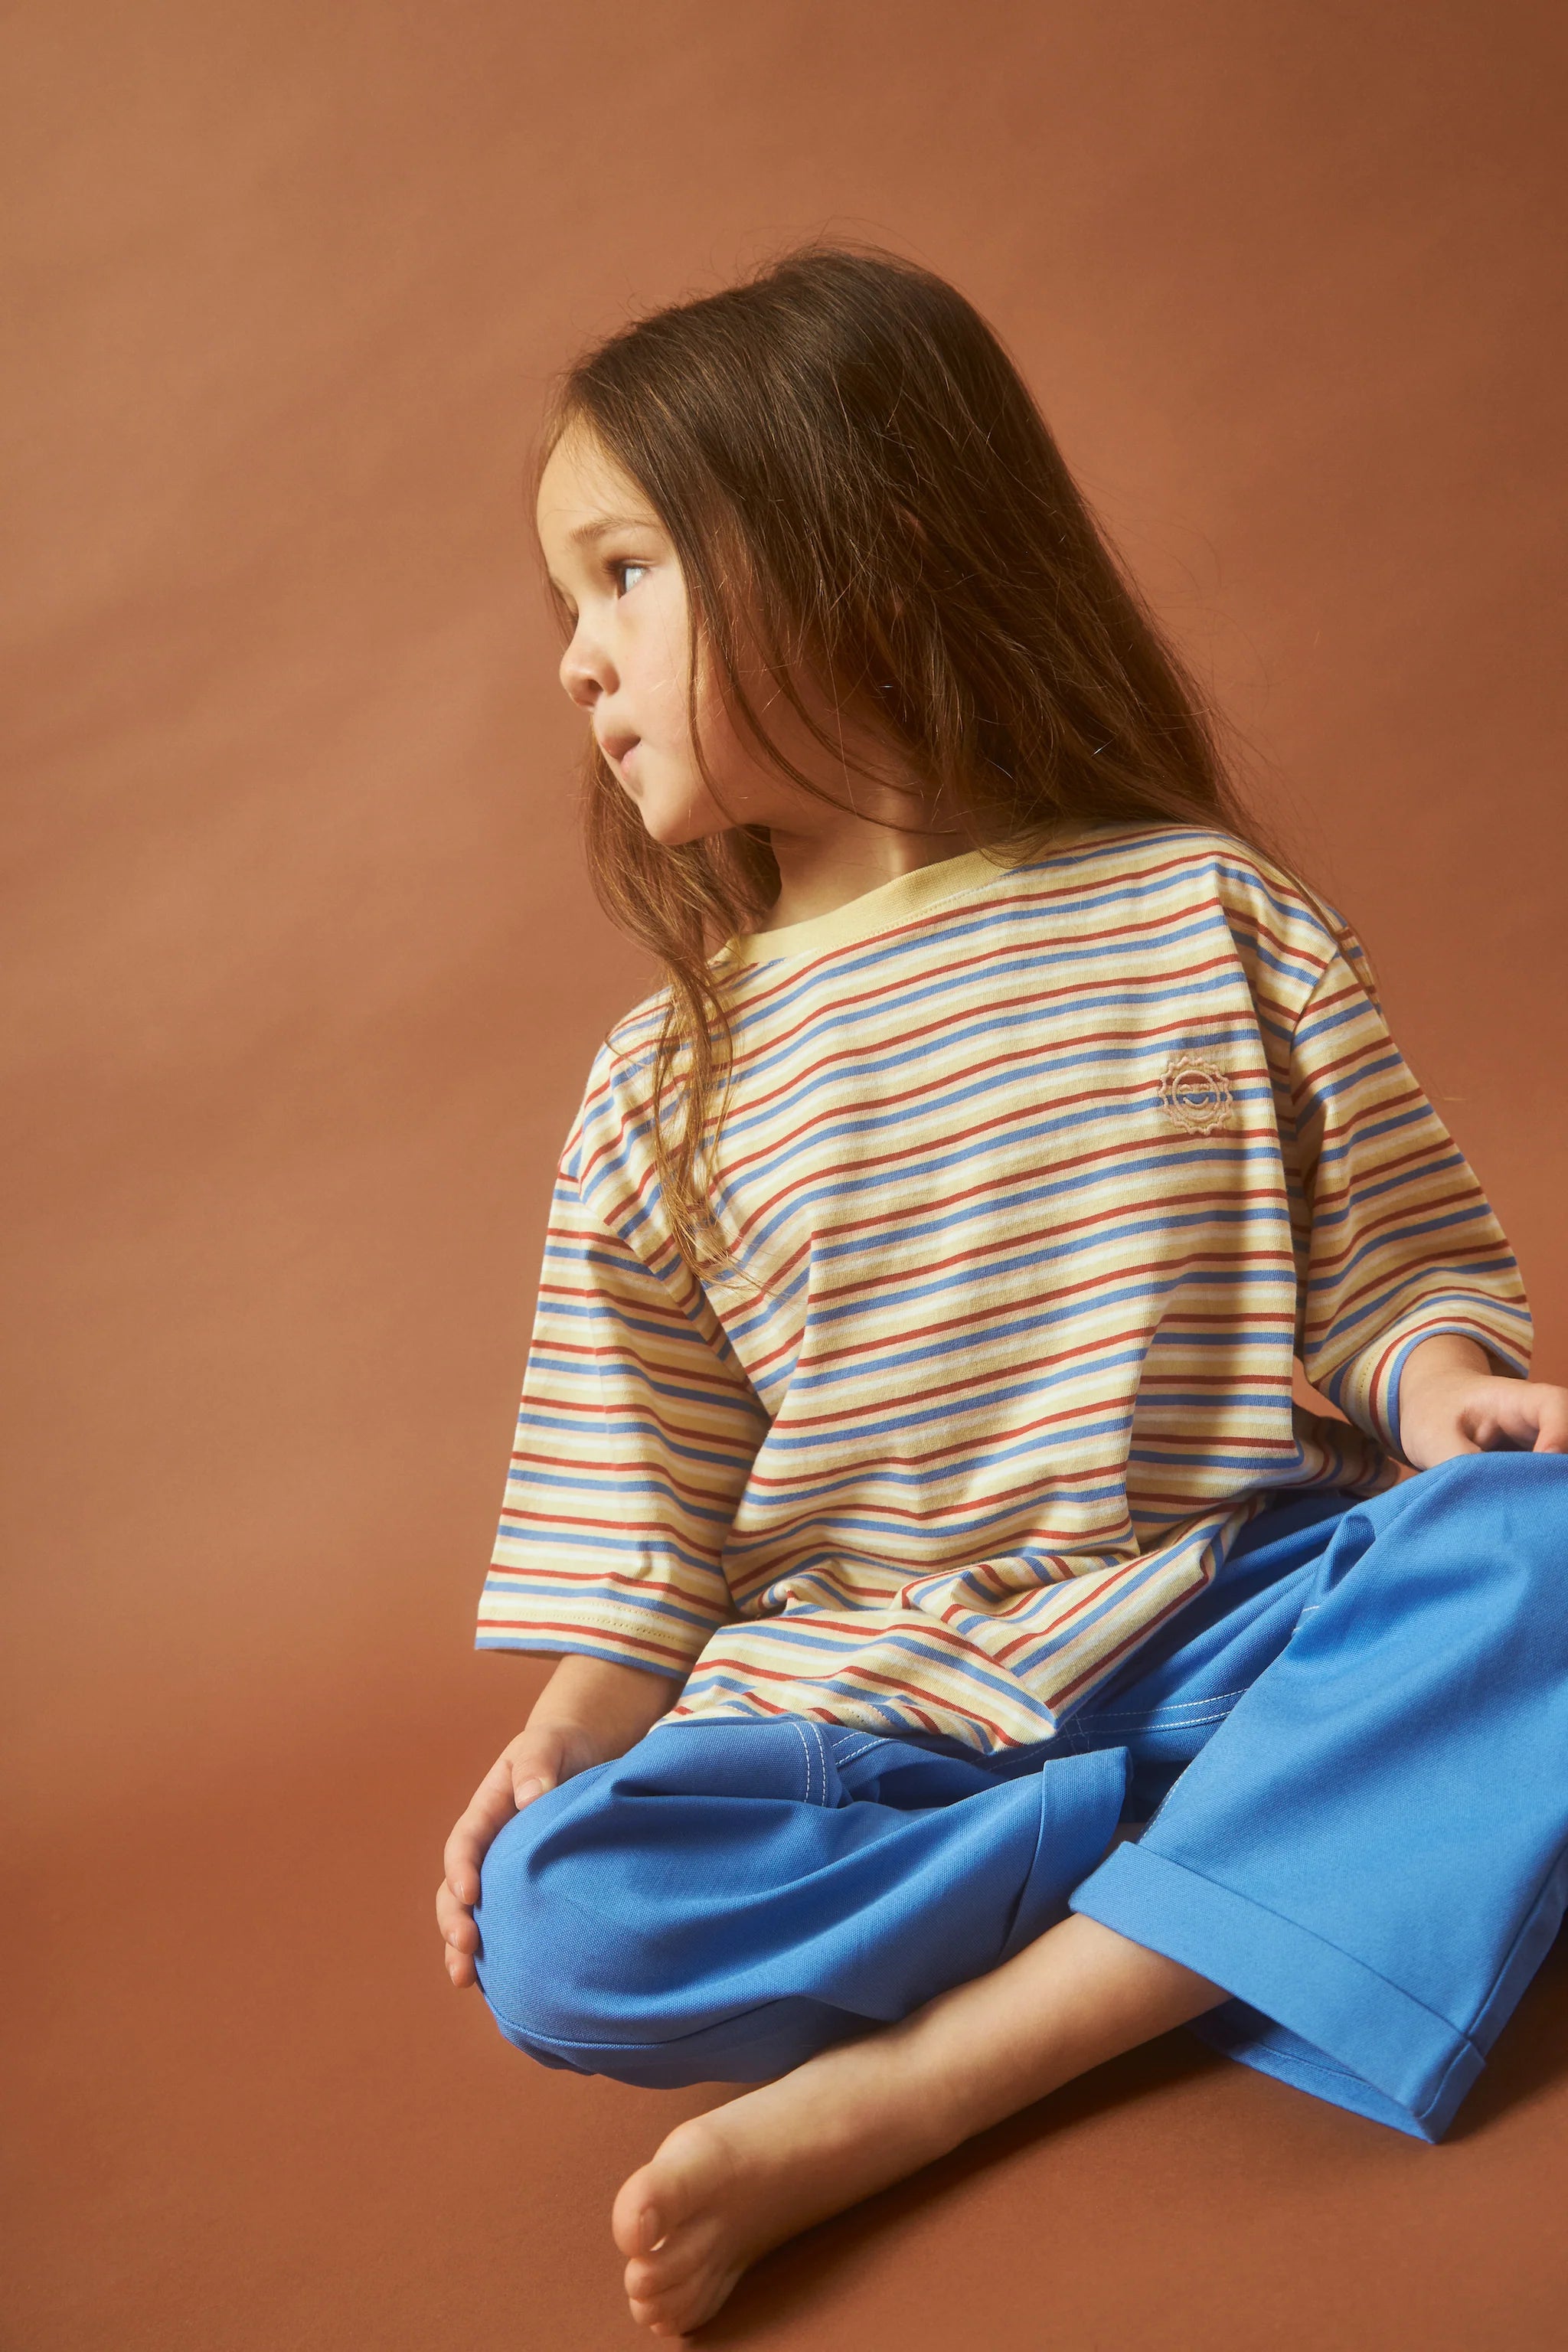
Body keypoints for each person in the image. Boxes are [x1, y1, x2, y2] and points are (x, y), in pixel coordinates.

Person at [433, 246, 1568, 2339]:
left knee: (1550, 1553)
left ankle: (947, 2073)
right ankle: (1234, 1882)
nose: (578, 665)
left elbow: (1381, 1263)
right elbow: (651, 1487)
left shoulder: (1202, 911)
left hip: (1222, 1614)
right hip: (886, 1718)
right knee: (557, 1926)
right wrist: (577, 1722)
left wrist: (1439, 1389)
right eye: (565, 604)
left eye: (624, 576)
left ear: (850, 550)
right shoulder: (664, 1080)